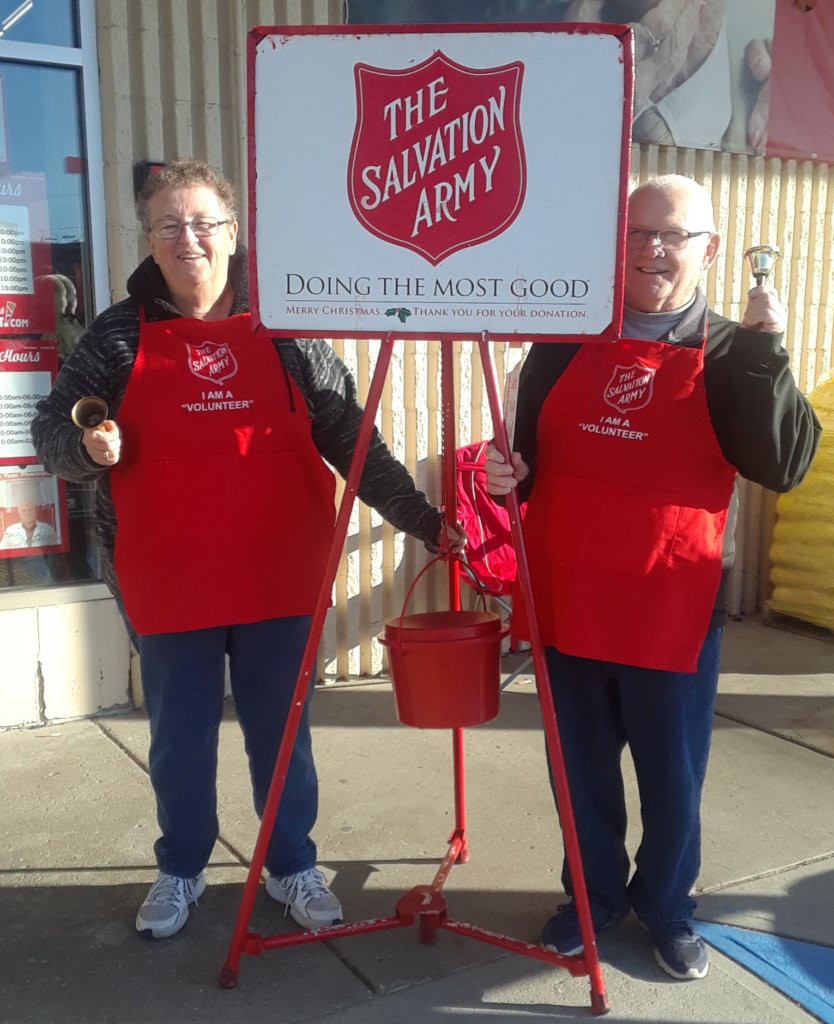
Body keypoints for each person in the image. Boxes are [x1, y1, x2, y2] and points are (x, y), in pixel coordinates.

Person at [32, 159, 463, 941]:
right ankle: (182, 867)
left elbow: (352, 439)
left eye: (203, 223)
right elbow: (52, 429)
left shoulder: (287, 327)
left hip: (278, 574)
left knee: (283, 731)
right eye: (168, 225)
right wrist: (85, 450)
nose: (187, 238)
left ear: (233, 233)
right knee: (180, 738)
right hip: (168, 577)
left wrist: (423, 520)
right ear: (149, 240)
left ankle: (292, 862)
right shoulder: (117, 336)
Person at [485, 175, 821, 981]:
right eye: (637, 233)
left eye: (672, 235)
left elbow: (784, 463)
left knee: (673, 780)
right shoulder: (564, 340)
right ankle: (592, 898)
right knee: (580, 774)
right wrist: (505, 475)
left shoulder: (735, 351)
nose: (651, 250)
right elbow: (526, 465)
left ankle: (669, 908)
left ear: (710, 248)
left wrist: (769, 353)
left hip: (672, 605)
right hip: (570, 596)